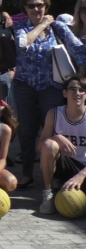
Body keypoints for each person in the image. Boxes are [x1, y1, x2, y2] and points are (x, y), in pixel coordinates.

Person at [12, 0, 86, 190]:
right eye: (32, 6)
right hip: (25, 86)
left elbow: (79, 50)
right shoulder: (21, 27)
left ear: (46, 6)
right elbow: (22, 44)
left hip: (51, 88)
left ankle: (55, 176)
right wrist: (42, 24)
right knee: (27, 131)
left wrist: (79, 76)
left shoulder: (59, 28)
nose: (36, 9)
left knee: (55, 131)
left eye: (40, 5)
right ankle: (27, 174)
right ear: (25, 9)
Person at [38, 75, 86, 214]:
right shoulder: (55, 113)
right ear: (65, 93)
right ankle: (48, 192)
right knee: (49, 145)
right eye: (72, 89)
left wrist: (81, 176)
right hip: (65, 163)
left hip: (84, 169)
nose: (77, 93)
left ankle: (70, 187)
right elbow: (40, 146)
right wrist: (56, 137)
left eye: (81, 90)